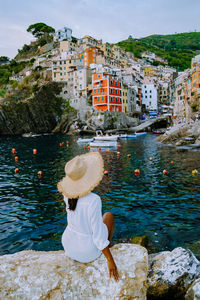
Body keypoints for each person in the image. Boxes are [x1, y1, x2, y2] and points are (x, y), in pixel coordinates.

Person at [57, 151, 119, 281]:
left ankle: (107, 244)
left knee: (98, 223)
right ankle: (109, 245)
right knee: (108, 216)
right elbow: (97, 236)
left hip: (69, 245)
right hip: (87, 252)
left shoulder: (67, 194)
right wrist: (110, 260)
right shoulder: (93, 200)